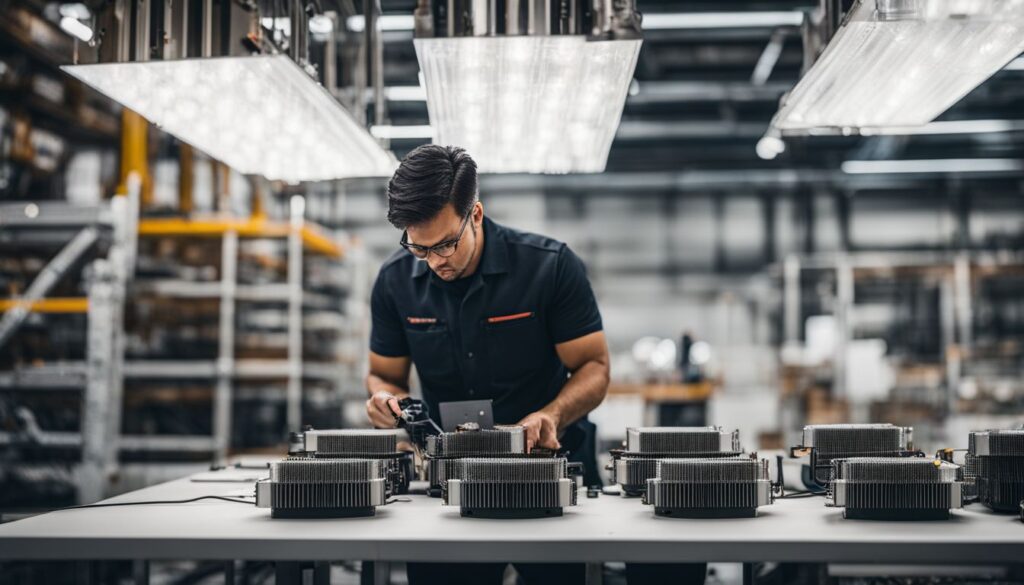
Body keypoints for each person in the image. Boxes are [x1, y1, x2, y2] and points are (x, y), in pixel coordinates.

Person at [365, 144, 611, 585]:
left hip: (549, 476)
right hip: (451, 486)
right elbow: (385, 375)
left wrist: (551, 415)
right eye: (419, 248)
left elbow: (594, 366)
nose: (435, 261)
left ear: (475, 214)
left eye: (445, 244)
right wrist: (387, 400)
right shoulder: (394, 281)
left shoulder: (550, 267)